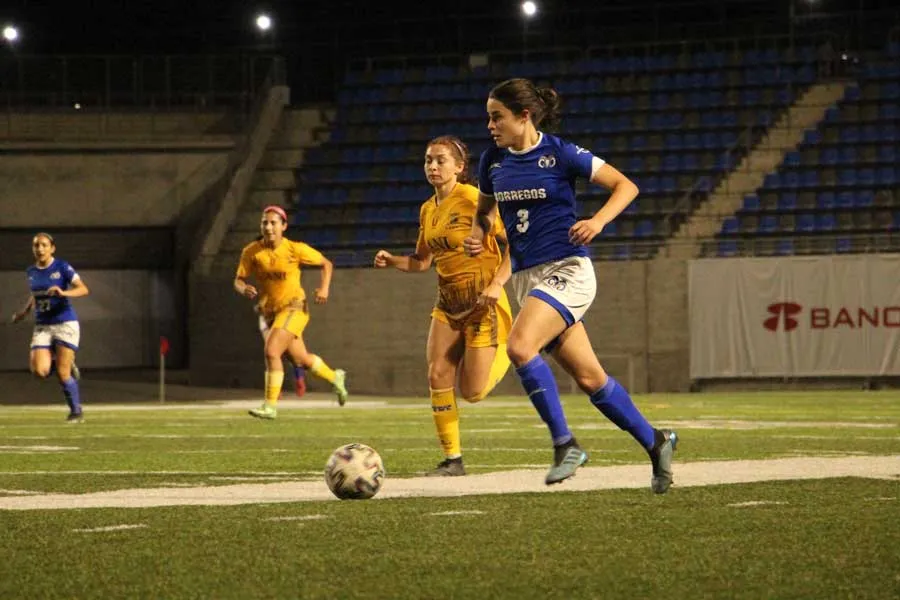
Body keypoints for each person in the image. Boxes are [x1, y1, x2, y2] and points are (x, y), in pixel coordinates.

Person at [464, 78, 678, 493]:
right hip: (527, 279)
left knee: (519, 347)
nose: (490, 126)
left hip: (568, 269)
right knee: (590, 379)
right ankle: (657, 442)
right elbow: (485, 213)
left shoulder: (561, 153)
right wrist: (479, 233)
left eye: (497, 117)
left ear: (524, 116)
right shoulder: (493, 160)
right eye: (488, 117)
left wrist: (597, 221)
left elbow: (626, 186)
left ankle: (566, 445)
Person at [374, 135, 513, 476]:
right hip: (447, 302)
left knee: (472, 392)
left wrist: (497, 283)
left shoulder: (474, 199)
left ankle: (513, 348)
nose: (433, 166)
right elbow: (422, 262)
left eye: (440, 160)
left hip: (482, 301)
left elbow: (518, 242)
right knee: (437, 374)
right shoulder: (427, 209)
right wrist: (393, 261)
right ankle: (453, 460)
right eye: (428, 160)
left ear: (460, 167)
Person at [234, 205, 348, 419]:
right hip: (271, 312)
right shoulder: (251, 252)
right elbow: (238, 280)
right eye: (265, 222)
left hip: (294, 307)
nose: (268, 227)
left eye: (273, 223)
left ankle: (270, 406)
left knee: (272, 351)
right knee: (301, 360)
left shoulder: (295, 249)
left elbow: (326, 264)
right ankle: (335, 377)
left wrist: (324, 288)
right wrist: (243, 288)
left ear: (284, 226)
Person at [10, 232, 89, 423]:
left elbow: (83, 289)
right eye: (36, 245)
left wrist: (63, 292)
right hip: (43, 325)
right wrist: (23, 313)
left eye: (44, 245)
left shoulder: (62, 266)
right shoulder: (31, 271)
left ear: (52, 248)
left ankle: (76, 412)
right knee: (39, 371)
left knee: (63, 374)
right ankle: (61, 359)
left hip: (64, 323)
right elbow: (35, 295)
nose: (40, 249)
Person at [250, 234, 307, 398]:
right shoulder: (257, 263)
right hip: (267, 314)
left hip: (288, 311)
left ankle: (298, 379)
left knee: (293, 354)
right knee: (272, 350)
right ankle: (276, 389)